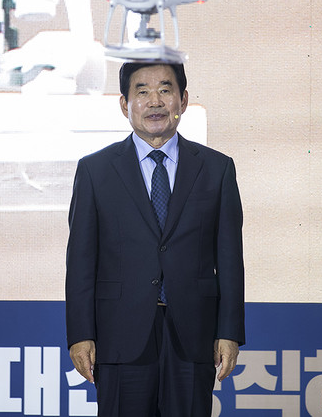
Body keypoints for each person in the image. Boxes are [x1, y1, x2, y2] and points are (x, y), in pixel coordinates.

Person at [65, 62, 245, 417]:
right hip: (120, 335)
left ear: (183, 100)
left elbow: (229, 259)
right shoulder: (95, 171)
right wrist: (80, 334)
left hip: (192, 335)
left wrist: (230, 332)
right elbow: (81, 261)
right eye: (142, 92)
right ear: (125, 104)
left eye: (165, 90)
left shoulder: (216, 169)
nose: (155, 101)